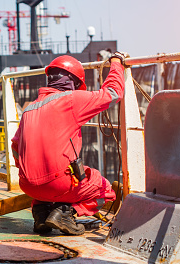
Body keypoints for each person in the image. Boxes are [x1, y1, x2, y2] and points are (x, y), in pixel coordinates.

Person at [11, 52, 127, 235]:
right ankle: (66, 213)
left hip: (27, 185)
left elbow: (16, 148)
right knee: (105, 190)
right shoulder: (72, 100)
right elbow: (112, 93)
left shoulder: (30, 108)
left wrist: (29, 173)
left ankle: (41, 214)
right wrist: (116, 62)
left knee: (47, 183)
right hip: (58, 185)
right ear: (74, 82)